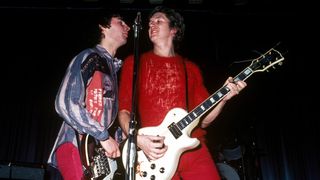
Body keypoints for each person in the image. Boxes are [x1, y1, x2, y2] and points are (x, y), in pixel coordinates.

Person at [118, 6, 247, 180]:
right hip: (154, 151)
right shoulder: (134, 63)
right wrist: (137, 139)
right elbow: (124, 111)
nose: (151, 26)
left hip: (193, 149)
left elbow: (204, 121)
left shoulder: (190, 69)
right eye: (149, 23)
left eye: (158, 21)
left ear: (174, 29)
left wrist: (223, 99)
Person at [47, 12, 130, 180]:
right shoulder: (90, 57)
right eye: (121, 22)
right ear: (103, 27)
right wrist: (103, 136)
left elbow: (108, 119)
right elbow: (65, 102)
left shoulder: (114, 71)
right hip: (76, 146)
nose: (127, 27)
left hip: (97, 156)